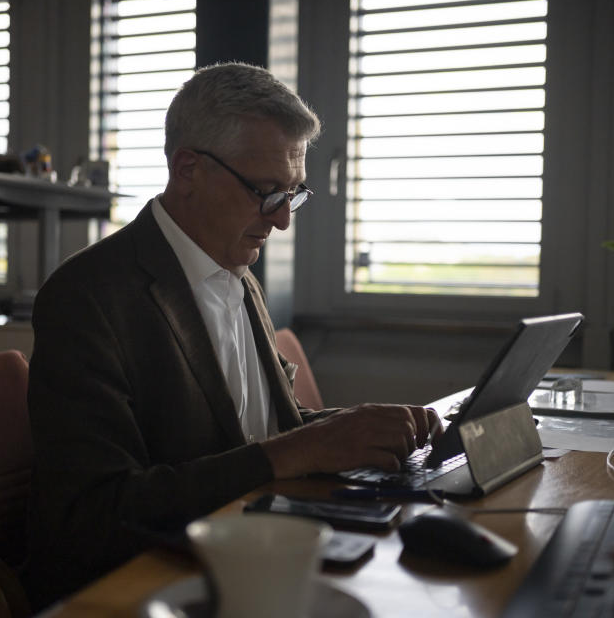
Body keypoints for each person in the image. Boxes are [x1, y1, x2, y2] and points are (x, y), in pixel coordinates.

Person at [26, 62, 441, 607]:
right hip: (147, 586)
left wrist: (359, 426)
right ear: (187, 169)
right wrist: (302, 447)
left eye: (293, 193)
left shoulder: (236, 274)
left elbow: (255, 432)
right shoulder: (87, 297)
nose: (282, 220)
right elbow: (92, 515)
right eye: (266, 191)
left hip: (250, 558)